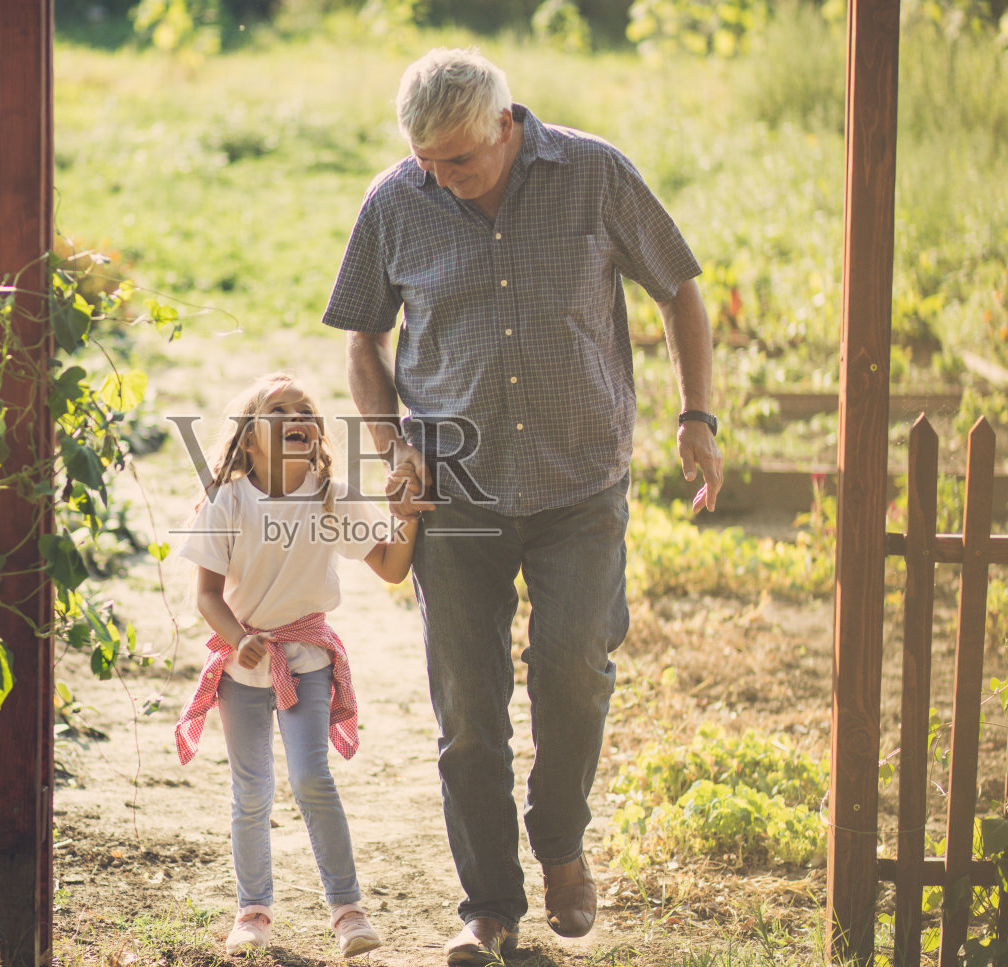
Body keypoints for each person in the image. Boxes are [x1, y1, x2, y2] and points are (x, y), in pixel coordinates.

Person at [322, 47, 724, 966]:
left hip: (579, 481)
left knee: (574, 669)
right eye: (427, 160)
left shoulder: (593, 174)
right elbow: (363, 344)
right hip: (454, 492)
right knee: (468, 710)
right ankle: (489, 904)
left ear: (505, 127)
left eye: (459, 159)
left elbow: (679, 289)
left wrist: (696, 413)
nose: (444, 178)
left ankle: (562, 841)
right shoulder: (396, 201)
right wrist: (395, 452)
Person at [172, 372, 420, 958]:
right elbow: (206, 594)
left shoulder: (331, 495)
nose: (295, 417)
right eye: (278, 410)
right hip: (242, 667)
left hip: (307, 660)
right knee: (252, 789)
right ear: (249, 439)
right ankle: (253, 912)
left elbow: (390, 566)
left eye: (304, 409)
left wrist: (406, 516)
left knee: (313, 779)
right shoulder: (227, 500)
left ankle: (348, 910)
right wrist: (237, 640)